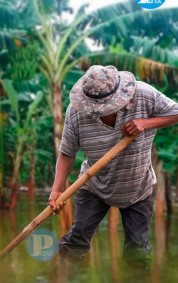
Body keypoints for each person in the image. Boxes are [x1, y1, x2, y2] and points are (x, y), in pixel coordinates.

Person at [48, 65, 178, 263]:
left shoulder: (143, 94)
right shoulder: (76, 113)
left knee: (137, 253)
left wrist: (145, 123)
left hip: (137, 188)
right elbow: (67, 153)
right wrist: (56, 190)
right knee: (75, 244)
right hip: (94, 186)